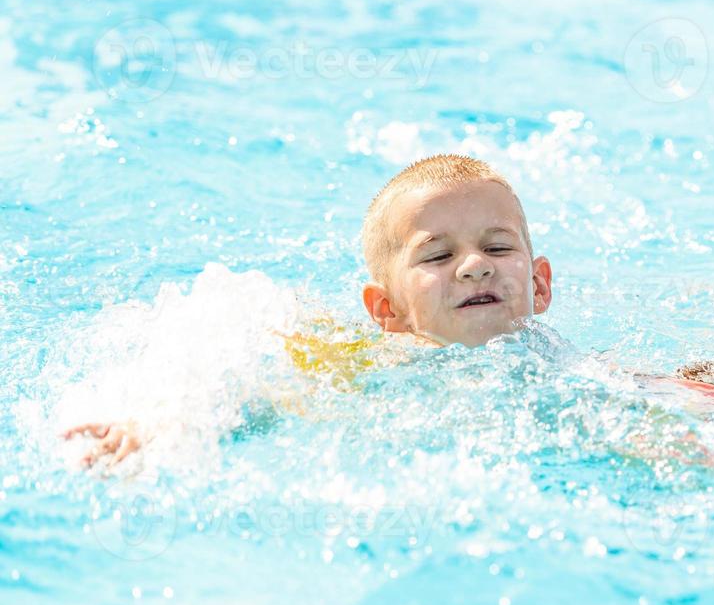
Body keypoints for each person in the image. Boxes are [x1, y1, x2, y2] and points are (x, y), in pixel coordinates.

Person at [64, 154, 554, 466]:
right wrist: (158, 426)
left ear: (539, 284)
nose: (473, 266)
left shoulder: (565, 368)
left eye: (496, 247)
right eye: (438, 256)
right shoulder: (359, 365)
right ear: (387, 310)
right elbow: (242, 384)